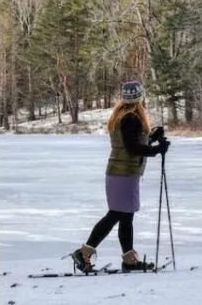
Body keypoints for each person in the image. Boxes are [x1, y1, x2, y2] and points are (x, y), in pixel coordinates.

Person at [71, 81, 169, 273]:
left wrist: (152, 138)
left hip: (122, 172)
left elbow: (132, 143)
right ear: (140, 98)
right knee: (116, 214)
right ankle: (84, 252)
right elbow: (132, 148)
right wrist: (157, 149)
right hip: (123, 173)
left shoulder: (123, 115)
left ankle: (128, 258)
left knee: (125, 216)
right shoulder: (131, 118)